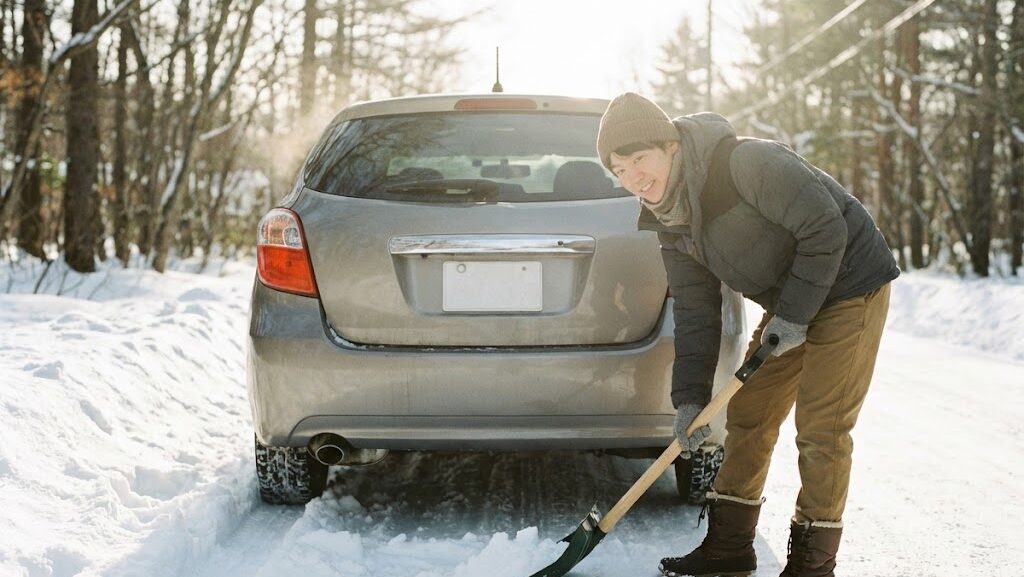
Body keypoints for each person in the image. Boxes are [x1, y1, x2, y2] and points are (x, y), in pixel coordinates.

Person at [596, 92, 899, 577]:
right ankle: (729, 547)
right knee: (750, 413)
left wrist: (795, 315)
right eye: (619, 168)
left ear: (671, 146)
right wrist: (690, 400)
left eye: (639, 159)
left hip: (850, 286)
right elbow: (697, 312)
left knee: (821, 429)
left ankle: (812, 564)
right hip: (792, 301)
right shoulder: (670, 222)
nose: (633, 177)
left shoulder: (745, 163)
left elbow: (825, 229)